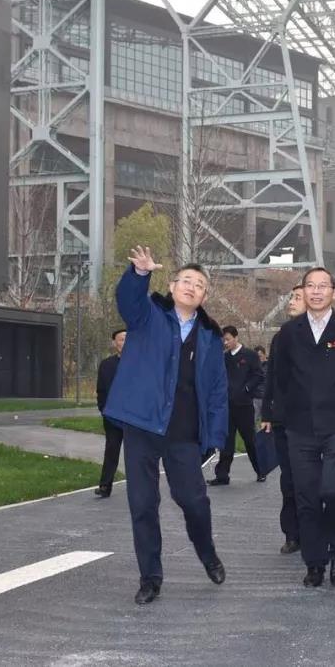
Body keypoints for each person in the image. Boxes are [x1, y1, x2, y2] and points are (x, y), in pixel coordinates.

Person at [103, 246, 228, 605]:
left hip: (182, 432)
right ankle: (150, 578)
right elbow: (127, 300)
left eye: (199, 285)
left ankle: (207, 553)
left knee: (193, 501)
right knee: (143, 504)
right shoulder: (148, 315)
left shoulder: (209, 336)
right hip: (142, 426)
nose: (192, 287)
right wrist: (139, 274)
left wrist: (215, 438)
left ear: (204, 297)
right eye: (186, 280)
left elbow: (217, 390)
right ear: (172, 287)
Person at [271, 266, 335, 587]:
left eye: (322, 286)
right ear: (303, 291)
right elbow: (279, 377)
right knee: (306, 496)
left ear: (334, 292)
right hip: (299, 428)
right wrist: (283, 412)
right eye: (310, 286)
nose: (316, 291)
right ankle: (314, 561)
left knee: (333, 490)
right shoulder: (289, 333)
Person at [261, 285, 307, 554]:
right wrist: (267, 412)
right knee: (288, 479)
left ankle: (313, 529)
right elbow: (272, 376)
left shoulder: (324, 335)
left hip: (313, 420)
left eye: (297, 298)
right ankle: (292, 533)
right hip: (283, 419)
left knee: (311, 479)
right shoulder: (280, 337)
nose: (291, 301)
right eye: (292, 297)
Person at [210, 326, 264, 485]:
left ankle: (261, 470)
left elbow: (258, 375)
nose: (225, 343)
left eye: (228, 339)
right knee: (226, 442)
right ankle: (222, 475)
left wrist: (246, 388)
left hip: (244, 405)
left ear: (236, 337)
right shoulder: (224, 357)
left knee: (250, 440)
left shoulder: (250, 355)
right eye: (223, 340)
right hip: (227, 406)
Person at [94, 328, 127, 498]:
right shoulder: (106, 365)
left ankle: (139, 487)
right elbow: (101, 390)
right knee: (111, 451)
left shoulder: (140, 363)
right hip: (112, 416)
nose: (125, 342)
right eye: (121, 339)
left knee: (135, 454)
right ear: (115, 343)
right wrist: (103, 409)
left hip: (135, 418)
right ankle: (105, 486)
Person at [254, 345, 268, 419]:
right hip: (255, 398)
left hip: (266, 398)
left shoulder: (270, 366)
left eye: (260, 356)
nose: (259, 359)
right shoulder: (253, 367)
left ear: (265, 355)